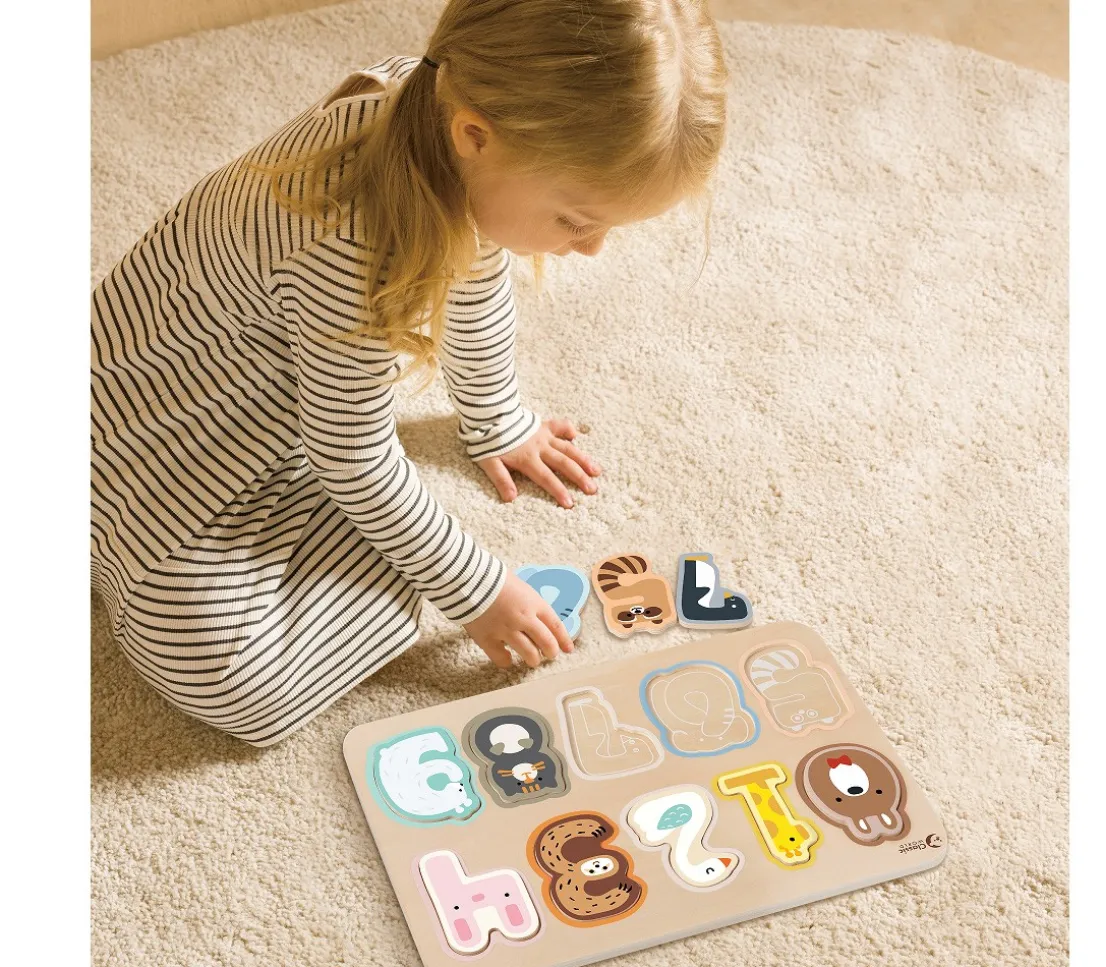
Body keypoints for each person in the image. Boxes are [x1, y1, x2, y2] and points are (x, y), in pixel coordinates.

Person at [90, 0, 728, 746]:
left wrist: (498, 417)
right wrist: (476, 589)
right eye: (576, 220)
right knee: (240, 685)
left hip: (184, 398)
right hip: (175, 457)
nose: (591, 249)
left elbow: (475, 270)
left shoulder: (425, 101)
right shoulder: (350, 250)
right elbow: (351, 456)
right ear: (475, 138)